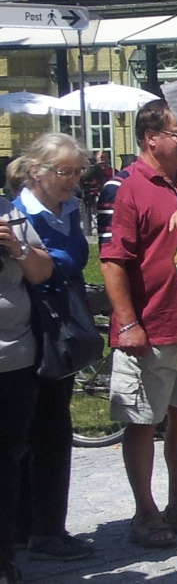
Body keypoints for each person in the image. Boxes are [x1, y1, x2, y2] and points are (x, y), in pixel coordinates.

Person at [101, 101, 177, 549]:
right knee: (141, 422)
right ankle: (145, 512)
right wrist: (129, 323)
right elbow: (113, 261)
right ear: (150, 138)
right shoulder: (124, 187)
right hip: (149, 329)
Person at [7, 134, 96, 564]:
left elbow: (73, 256)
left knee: (50, 426)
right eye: (64, 172)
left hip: (62, 323)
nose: (73, 180)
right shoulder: (22, 212)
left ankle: (36, 526)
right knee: (41, 430)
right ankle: (38, 528)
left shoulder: (69, 207)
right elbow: (42, 267)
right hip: (36, 327)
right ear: (36, 171)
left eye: (78, 171)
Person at [0, 192, 52, 584]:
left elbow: (41, 271)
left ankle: (4, 560)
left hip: (13, 359)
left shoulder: (10, 211)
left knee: (7, 460)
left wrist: (17, 247)